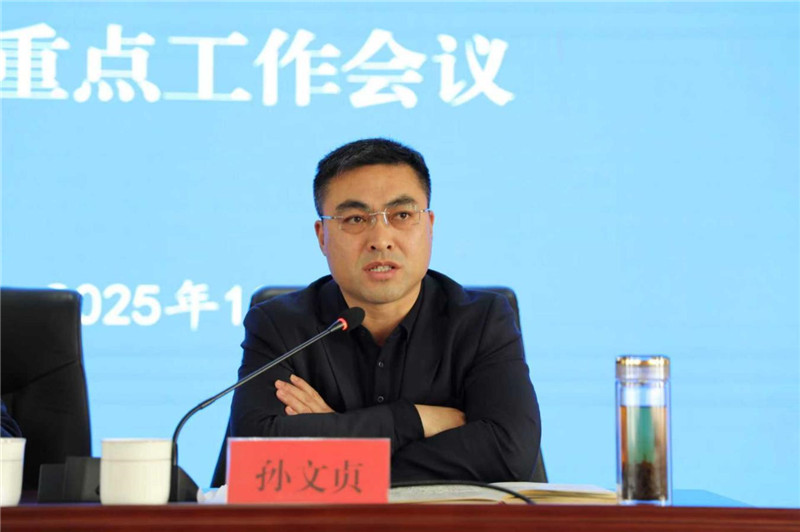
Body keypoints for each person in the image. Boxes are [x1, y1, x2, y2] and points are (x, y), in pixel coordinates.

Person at [229, 138, 540, 482]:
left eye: (402, 215)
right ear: (322, 236)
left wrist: (338, 446)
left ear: (429, 225)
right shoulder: (279, 325)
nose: (380, 239)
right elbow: (256, 453)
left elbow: (509, 452)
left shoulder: (482, 320)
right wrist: (413, 421)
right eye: (355, 219)